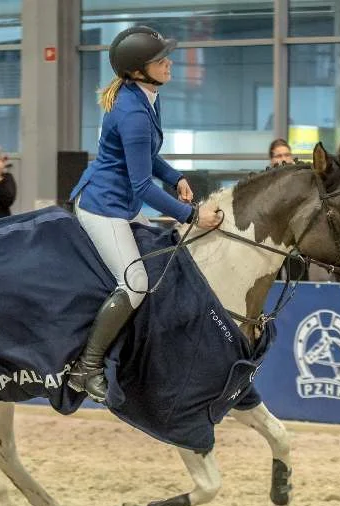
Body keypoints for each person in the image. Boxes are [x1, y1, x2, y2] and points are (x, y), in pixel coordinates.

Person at [65, 25, 222, 402]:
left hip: (123, 203)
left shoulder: (147, 96)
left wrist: (177, 176)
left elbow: (147, 158)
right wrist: (190, 215)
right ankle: (86, 368)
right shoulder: (132, 111)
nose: (169, 63)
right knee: (135, 282)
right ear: (138, 71)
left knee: (162, 262)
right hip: (105, 207)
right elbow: (141, 187)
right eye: (160, 60)